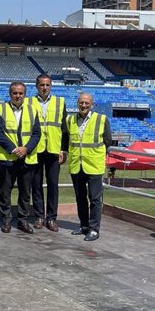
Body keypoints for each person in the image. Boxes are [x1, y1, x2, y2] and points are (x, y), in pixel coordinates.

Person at [0, 81, 41, 234]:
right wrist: (14, 149)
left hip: (27, 159)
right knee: (5, 192)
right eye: (15, 93)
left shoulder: (32, 110)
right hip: (7, 159)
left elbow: (36, 133)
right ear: (10, 94)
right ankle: (6, 220)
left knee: (25, 193)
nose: (18, 96)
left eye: (21, 93)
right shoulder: (0, 109)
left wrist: (26, 149)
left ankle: (22, 220)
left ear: (25, 94)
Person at [66, 93, 111, 242]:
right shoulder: (70, 119)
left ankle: (94, 229)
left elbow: (107, 141)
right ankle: (84, 225)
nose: (83, 105)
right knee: (80, 198)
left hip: (94, 165)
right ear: (77, 103)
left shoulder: (101, 119)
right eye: (81, 103)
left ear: (92, 104)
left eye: (86, 103)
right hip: (76, 165)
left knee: (95, 199)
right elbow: (67, 140)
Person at [28, 74, 68, 232]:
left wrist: (64, 150)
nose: (45, 88)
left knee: (53, 186)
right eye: (42, 85)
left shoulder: (60, 102)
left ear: (51, 86)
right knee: (36, 185)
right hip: (35, 150)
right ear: (37, 86)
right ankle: (39, 216)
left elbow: (64, 129)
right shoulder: (28, 102)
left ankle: (51, 218)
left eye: (47, 85)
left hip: (53, 149)